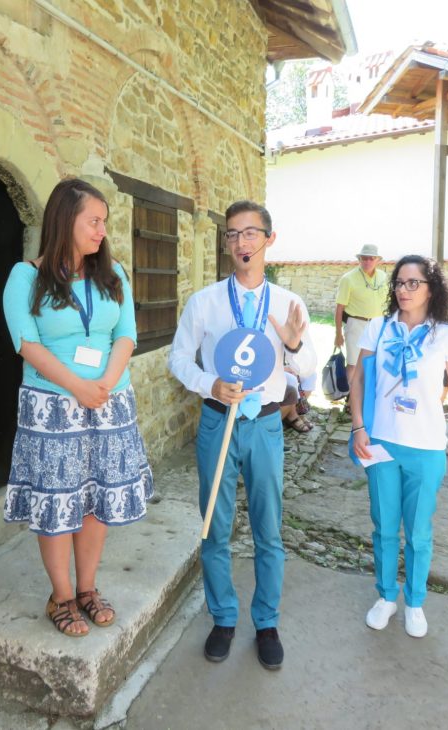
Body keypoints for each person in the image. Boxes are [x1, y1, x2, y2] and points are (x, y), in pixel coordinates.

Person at [3, 178, 153, 637]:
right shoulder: (25, 277)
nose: (101, 231)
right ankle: (61, 595)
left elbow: (126, 334)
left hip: (110, 402)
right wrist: (77, 388)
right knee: (57, 500)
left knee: (96, 498)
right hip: (53, 409)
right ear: (65, 220)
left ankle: (87, 588)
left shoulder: (116, 275)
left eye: (104, 222)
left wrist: (104, 384)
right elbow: (28, 344)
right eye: (94, 221)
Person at [168, 200, 316, 669]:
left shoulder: (289, 304)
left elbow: (309, 369)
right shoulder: (205, 302)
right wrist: (208, 382)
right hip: (217, 420)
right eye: (232, 235)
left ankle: (267, 622)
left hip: (267, 423)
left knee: (268, 529)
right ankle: (224, 618)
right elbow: (177, 358)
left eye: (250, 233)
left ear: (269, 240)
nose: (241, 243)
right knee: (214, 523)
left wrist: (292, 346)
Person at [350, 255, 448, 639]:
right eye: (399, 284)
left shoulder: (447, 334)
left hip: (425, 448)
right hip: (381, 444)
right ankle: (387, 596)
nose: (404, 291)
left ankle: (415, 601)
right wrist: (358, 427)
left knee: (418, 532)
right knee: (385, 526)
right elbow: (356, 380)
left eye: (413, 283)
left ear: (431, 289)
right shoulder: (378, 328)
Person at [334, 244, 388, 385]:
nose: (368, 261)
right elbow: (339, 308)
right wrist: (338, 334)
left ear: (377, 260)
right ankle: (350, 400)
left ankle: (368, 397)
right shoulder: (348, 279)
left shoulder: (384, 277)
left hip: (378, 325)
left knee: (375, 363)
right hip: (356, 323)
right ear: (359, 259)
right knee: (353, 363)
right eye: (364, 258)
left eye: (371, 258)